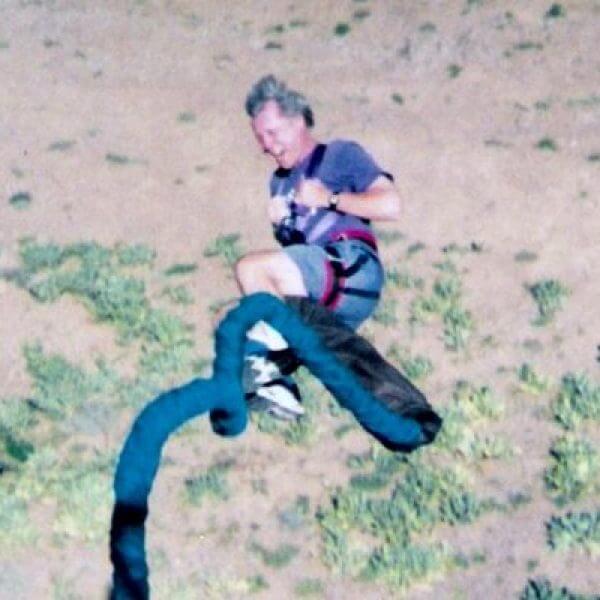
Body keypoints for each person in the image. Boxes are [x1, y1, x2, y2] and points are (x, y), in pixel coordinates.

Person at [233, 75, 402, 419]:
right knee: (230, 324)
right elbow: (298, 254)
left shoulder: (339, 155)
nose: (266, 145)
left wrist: (330, 198)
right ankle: (279, 384)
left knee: (250, 269)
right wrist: (282, 228)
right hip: (324, 282)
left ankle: (276, 371)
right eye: (260, 138)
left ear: (297, 123)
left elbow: (391, 205)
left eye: (273, 133)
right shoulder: (278, 183)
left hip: (353, 267)